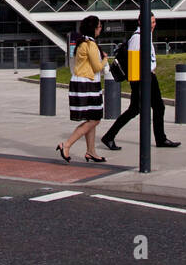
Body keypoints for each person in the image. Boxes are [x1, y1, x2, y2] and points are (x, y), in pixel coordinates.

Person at [100, 13, 179, 150]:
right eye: (150, 22)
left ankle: (160, 139)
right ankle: (110, 136)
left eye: (154, 22)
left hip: (146, 76)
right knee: (139, 109)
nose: (153, 25)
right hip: (142, 78)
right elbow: (134, 60)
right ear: (140, 22)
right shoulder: (137, 38)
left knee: (151, 108)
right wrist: (142, 78)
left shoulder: (145, 36)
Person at [56, 15, 107, 163]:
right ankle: (66, 144)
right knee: (95, 119)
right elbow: (97, 66)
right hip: (87, 84)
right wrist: (105, 58)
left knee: (92, 118)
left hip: (85, 83)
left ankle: (91, 151)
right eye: (99, 26)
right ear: (93, 28)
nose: (101, 28)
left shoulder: (84, 43)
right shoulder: (89, 44)